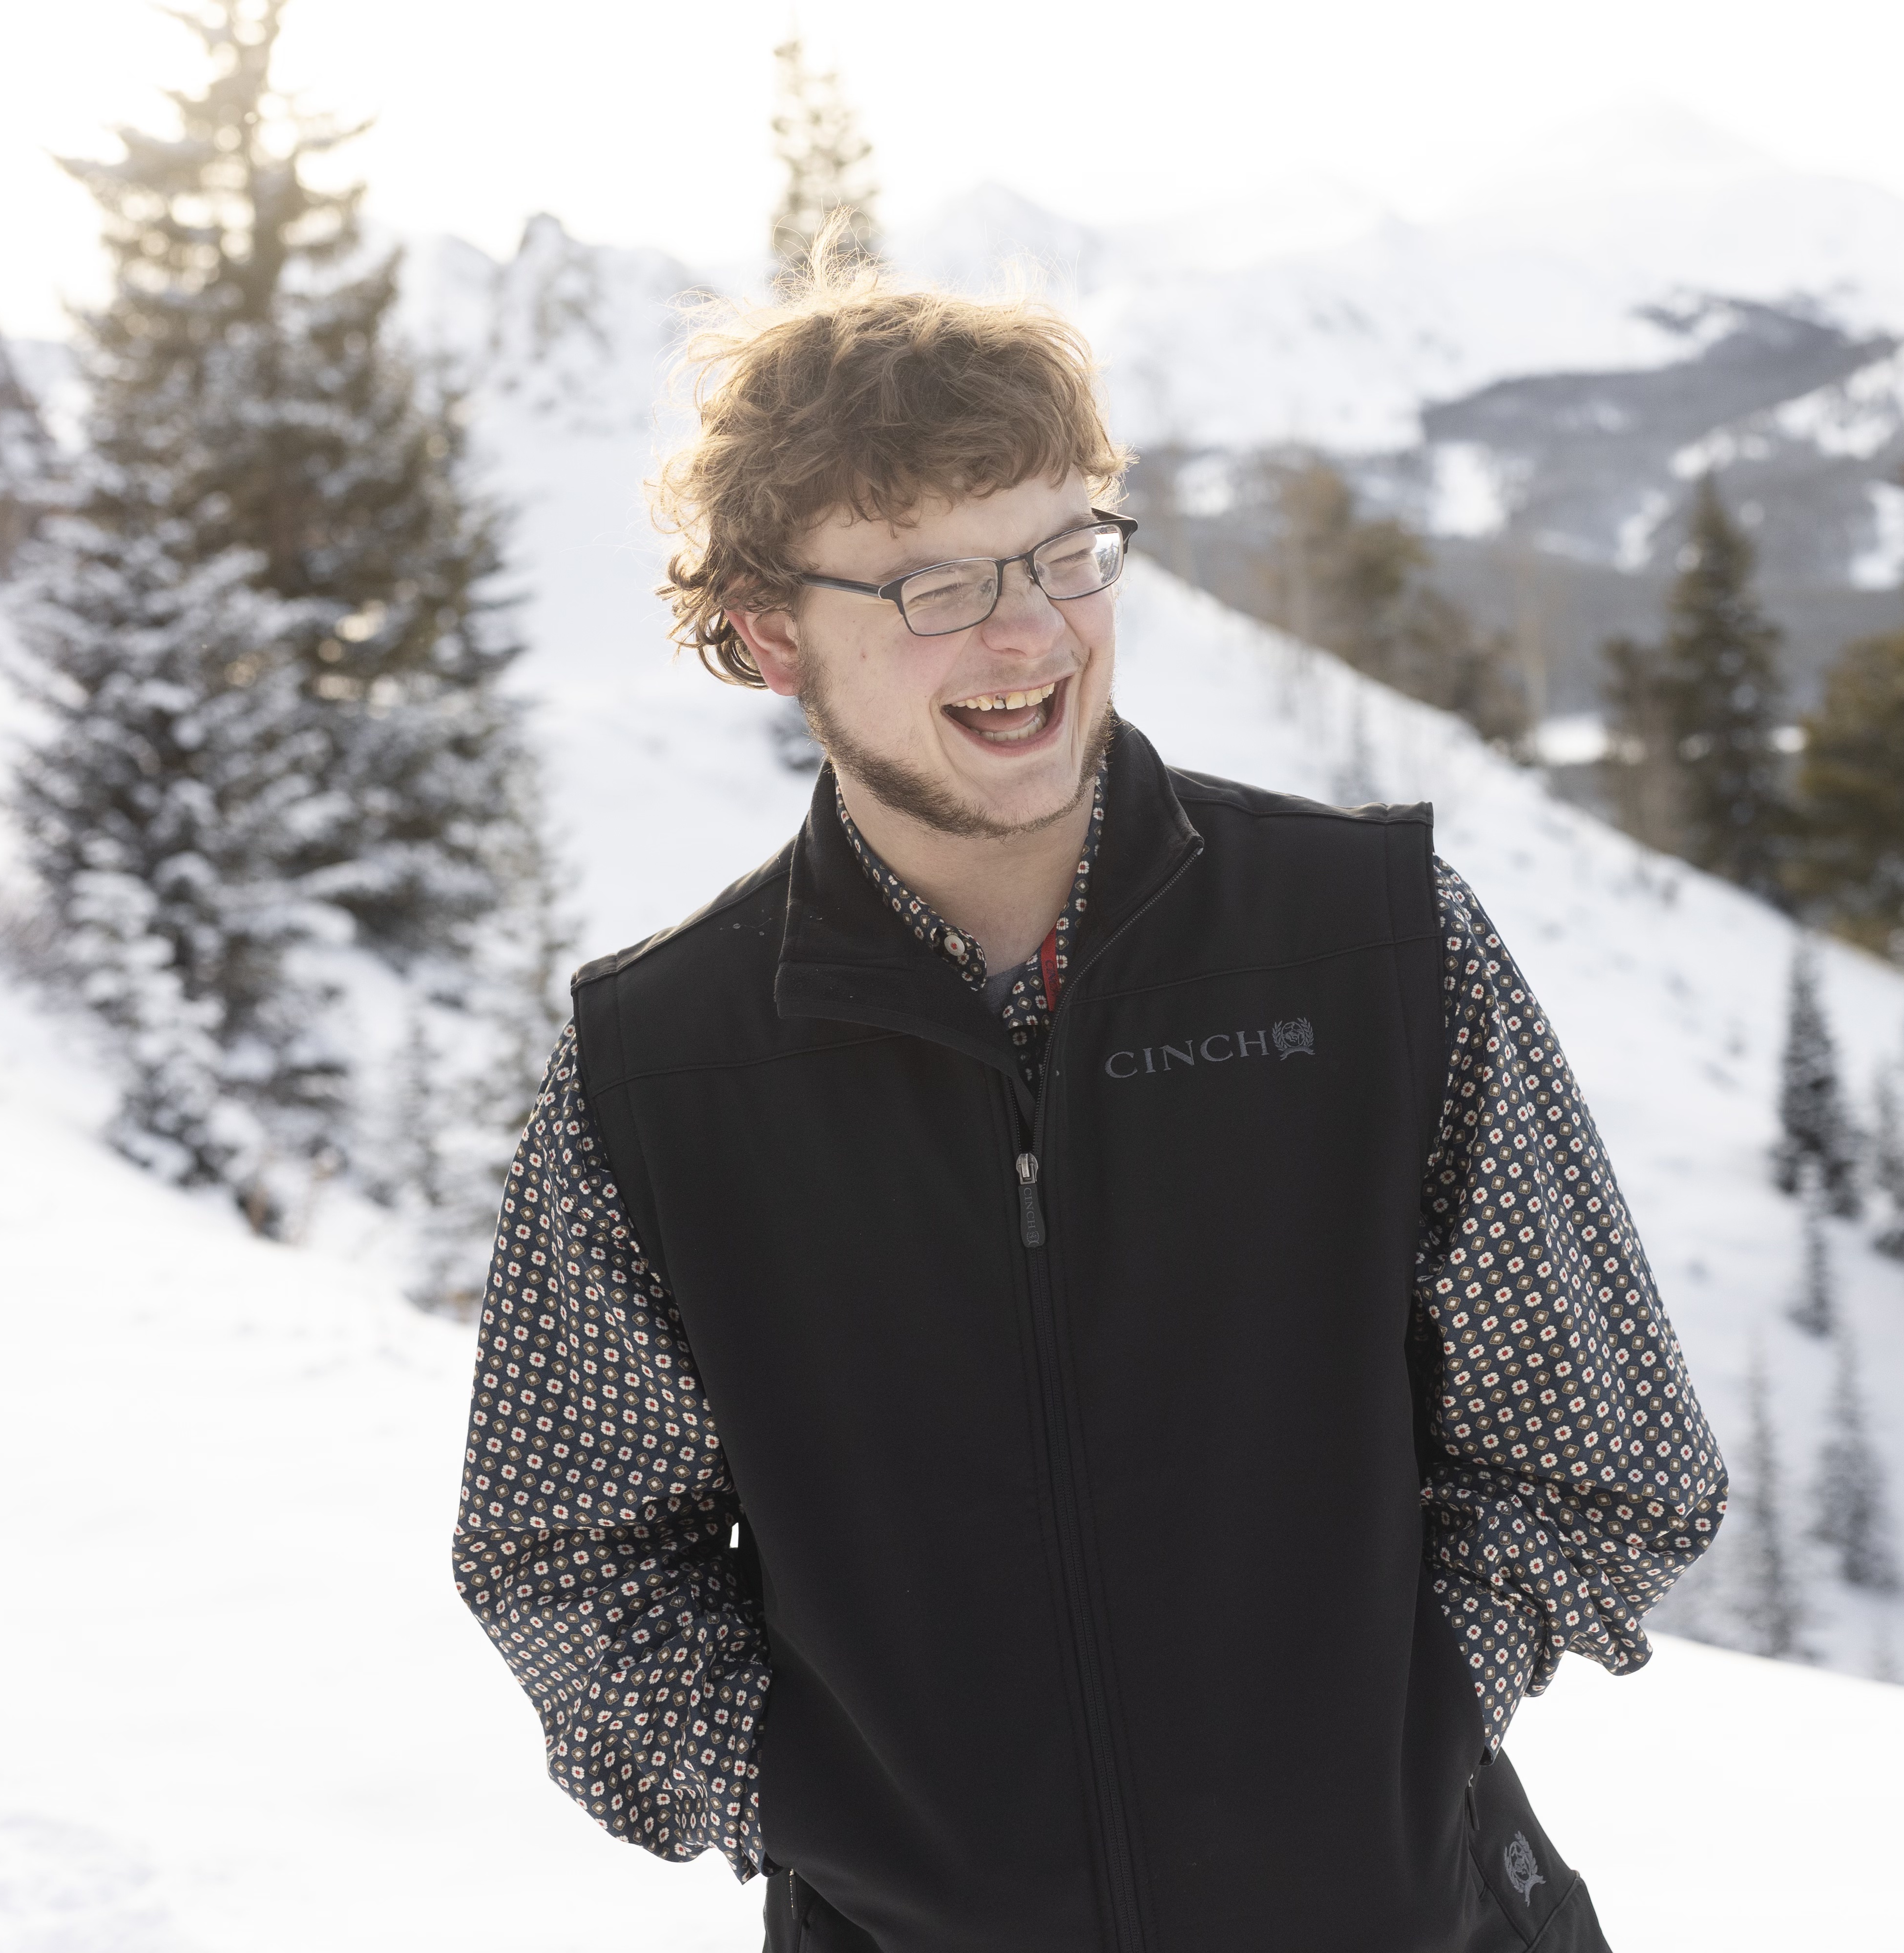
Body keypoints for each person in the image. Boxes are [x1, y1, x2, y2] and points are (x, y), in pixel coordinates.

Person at [449, 249, 1725, 1953]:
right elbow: (566, 1548)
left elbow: (1606, 1459)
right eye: (936, 585)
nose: (1033, 633)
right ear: (770, 634)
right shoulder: (664, 1070)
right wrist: (818, 1803)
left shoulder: (1369, 945)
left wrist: (1398, 1738)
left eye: (1066, 552)